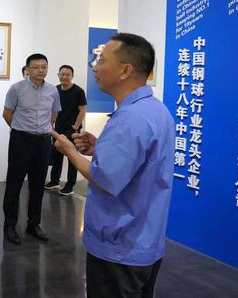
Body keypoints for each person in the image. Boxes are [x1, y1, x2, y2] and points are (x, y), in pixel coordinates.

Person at [52, 33, 174, 298]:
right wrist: (100, 149)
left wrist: (70, 151)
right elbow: (139, 164)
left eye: (102, 60)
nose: (95, 67)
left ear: (125, 70)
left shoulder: (130, 119)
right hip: (145, 242)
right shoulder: (156, 110)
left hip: (119, 250)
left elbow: (105, 180)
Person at [2, 53, 61, 244]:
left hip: (43, 141)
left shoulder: (52, 90)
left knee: (38, 185)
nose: (40, 70)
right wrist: (20, 130)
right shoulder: (17, 89)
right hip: (21, 140)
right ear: (27, 70)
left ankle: (33, 223)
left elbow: (53, 115)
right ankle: (10, 225)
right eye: (36, 67)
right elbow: (7, 114)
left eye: (44, 67)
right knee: (14, 183)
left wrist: (43, 130)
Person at [44, 64, 87, 196]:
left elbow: (82, 110)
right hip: (58, 128)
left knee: (72, 156)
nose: (65, 77)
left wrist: (75, 127)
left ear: (72, 76)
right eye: (62, 74)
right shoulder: (55, 90)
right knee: (57, 154)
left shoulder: (78, 91)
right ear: (58, 75)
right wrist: (51, 124)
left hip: (71, 130)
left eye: (68, 74)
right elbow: (53, 109)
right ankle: (54, 181)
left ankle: (70, 186)